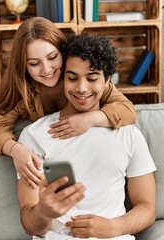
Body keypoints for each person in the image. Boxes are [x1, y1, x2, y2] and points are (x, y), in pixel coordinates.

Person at [17, 33, 156, 239]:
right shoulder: (35, 135)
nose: (82, 88)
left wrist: (113, 227)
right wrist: (44, 212)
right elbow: (30, 224)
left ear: (107, 80)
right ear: (62, 77)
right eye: (72, 78)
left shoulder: (128, 134)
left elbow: (147, 208)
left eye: (92, 78)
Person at [0, 17, 137, 188]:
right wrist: (17, 151)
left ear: (62, 52)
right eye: (34, 63)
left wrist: (90, 119)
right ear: (23, 66)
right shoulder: (21, 90)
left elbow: (127, 109)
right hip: (55, 155)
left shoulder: (84, 77)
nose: (47, 69)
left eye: (52, 57)